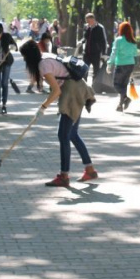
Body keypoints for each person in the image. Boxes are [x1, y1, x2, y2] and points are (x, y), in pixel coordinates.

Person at [19, 39, 98, 187]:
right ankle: (90, 169)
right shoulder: (45, 57)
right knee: (72, 134)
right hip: (78, 88)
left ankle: (64, 176)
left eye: (24, 56)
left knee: (63, 135)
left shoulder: (43, 65)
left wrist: (43, 107)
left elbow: (56, 91)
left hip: (72, 93)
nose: (24, 60)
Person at [107, 22, 139, 111]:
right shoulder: (133, 41)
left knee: (116, 84)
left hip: (121, 65)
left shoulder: (119, 40)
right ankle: (120, 105)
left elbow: (114, 53)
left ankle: (126, 98)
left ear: (121, 29)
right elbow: (135, 53)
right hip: (130, 64)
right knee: (123, 85)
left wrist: (109, 64)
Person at [79, 12, 107, 80]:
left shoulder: (100, 28)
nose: (87, 22)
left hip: (96, 53)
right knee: (84, 70)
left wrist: (104, 53)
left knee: (96, 71)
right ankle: (85, 86)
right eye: (86, 21)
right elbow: (85, 37)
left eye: (88, 21)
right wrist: (81, 42)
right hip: (86, 53)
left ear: (93, 19)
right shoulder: (87, 27)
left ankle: (94, 87)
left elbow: (104, 41)